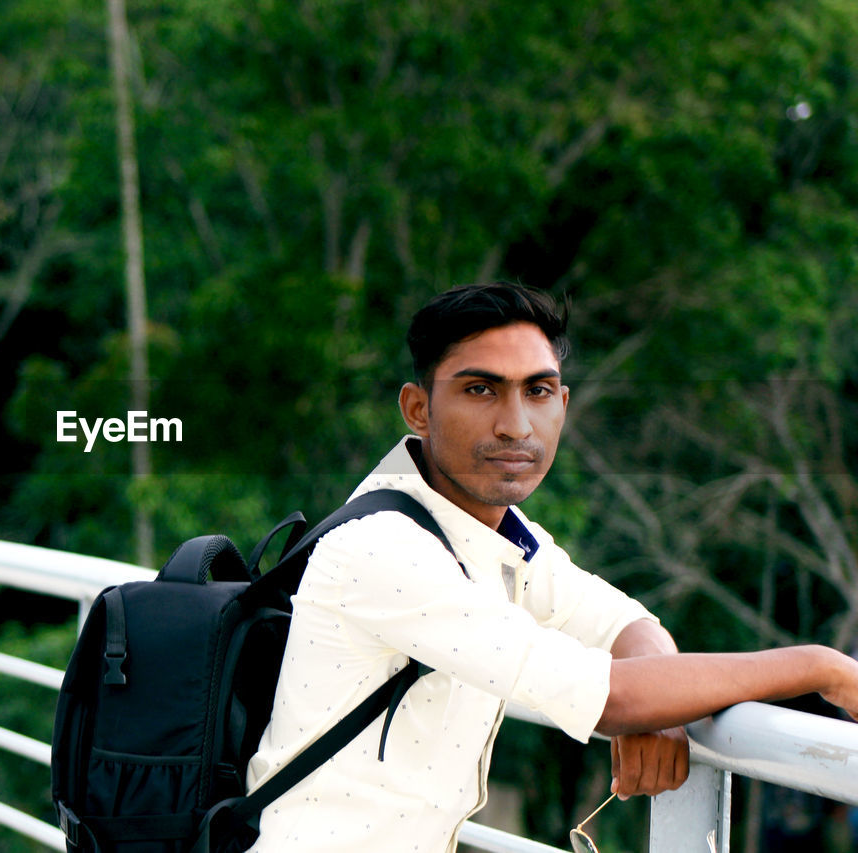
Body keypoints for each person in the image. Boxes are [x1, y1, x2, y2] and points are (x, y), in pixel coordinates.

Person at [244, 282, 858, 853]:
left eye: (537, 391)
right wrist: (820, 667)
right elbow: (612, 699)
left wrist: (660, 699)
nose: (515, 425)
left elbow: (620, 621)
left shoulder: (493, 532)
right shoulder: (385, 549)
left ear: (561, 404)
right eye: (479, 389)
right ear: (418, 409)